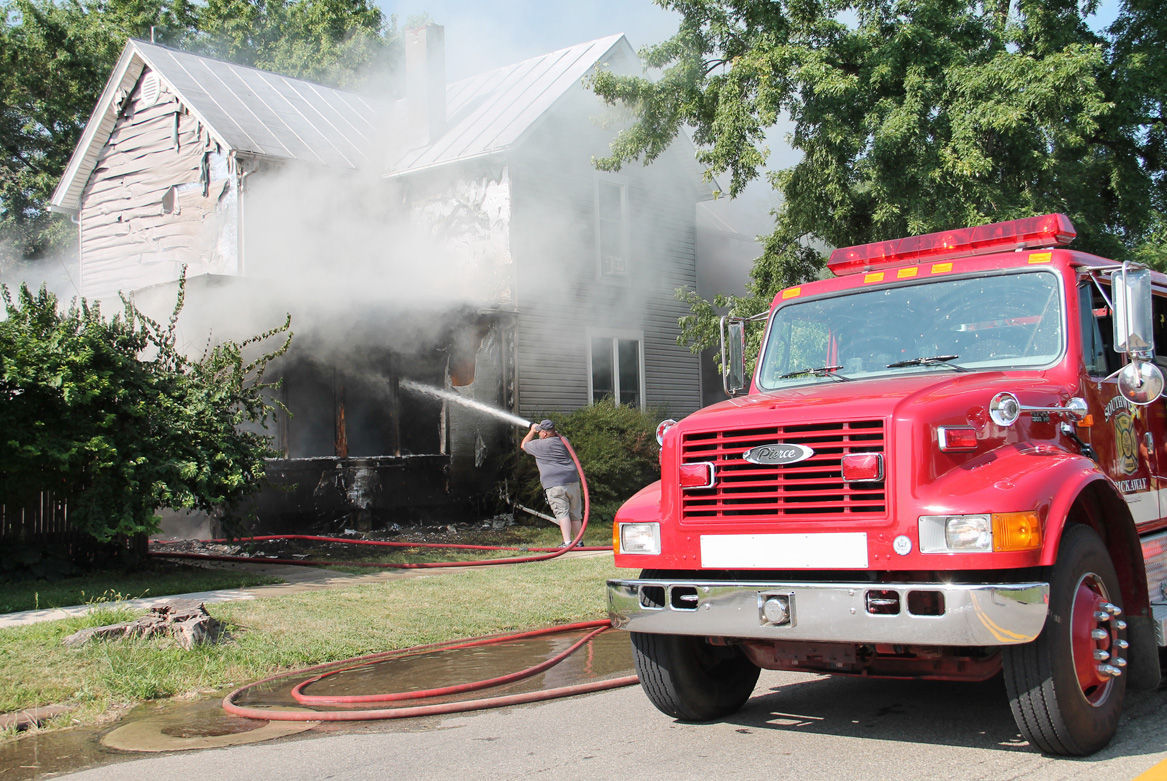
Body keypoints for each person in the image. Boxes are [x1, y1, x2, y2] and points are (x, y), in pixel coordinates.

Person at [520, 419, 582, 548]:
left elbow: (524, 445)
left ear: (544, 434)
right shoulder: (563, 441)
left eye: (540, 432)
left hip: (555, 484)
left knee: (562, 512)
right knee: (575, 513)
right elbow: (558, 435)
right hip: (572, 481)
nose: (538, 434)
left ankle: (567, 543)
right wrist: (549, 431)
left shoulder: (539, 445)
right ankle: (579, 542)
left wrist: (532, 431)